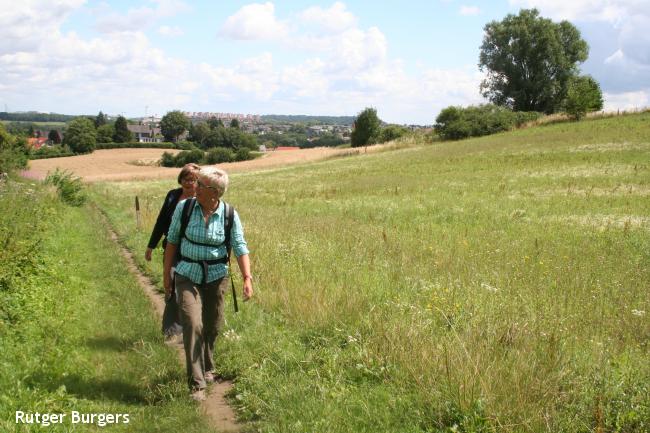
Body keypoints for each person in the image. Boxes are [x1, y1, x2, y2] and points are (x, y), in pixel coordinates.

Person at [163, 167, 253, 401]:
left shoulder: (229, 215)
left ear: (215, 192)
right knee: (192, 323)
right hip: (187, 274)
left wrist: (247, 278)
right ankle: (197, 384)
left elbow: (240, 247)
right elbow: (172, 241)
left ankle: (208, 364)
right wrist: (167, 277)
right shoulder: (185, 208)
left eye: (200, 185)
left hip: (216, 276)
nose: (195, 187)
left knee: (212, 325)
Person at [144, 163, 200, 263]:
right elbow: (161, 221)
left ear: (198, 182)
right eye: (185, 179)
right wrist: (151, 245)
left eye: (192, 180)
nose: (188, 183)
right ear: (180, 180)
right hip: (170, 247)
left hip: (193, 251)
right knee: (169, 277)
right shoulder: (173, 195)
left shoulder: (202, 200)